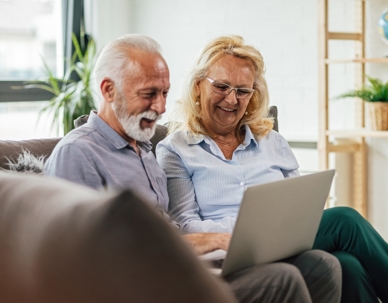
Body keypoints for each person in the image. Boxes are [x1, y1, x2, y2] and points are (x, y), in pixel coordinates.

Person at [44, 34, 342, 303]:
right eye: (149, 94)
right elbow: (75, 258)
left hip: (187, 269)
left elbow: (166, 227)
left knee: (323, 266)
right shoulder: (79, 152)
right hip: (146, 287)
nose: (161, 107)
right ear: (109, 90)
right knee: (283, 279)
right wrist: (207, 240)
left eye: (164, 93)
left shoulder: (142, 149)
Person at [156, 35, 388, 303]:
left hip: (284, 246)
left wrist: (280, 229)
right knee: (345, 220)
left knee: (348, 264)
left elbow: (300, 206)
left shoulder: (272, 142)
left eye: (243, 91)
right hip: (226, 258)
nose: (232, 100)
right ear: (197, 85)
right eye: (221, 87)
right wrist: (247, 232)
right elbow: (185, 227)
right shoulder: (175, 150)